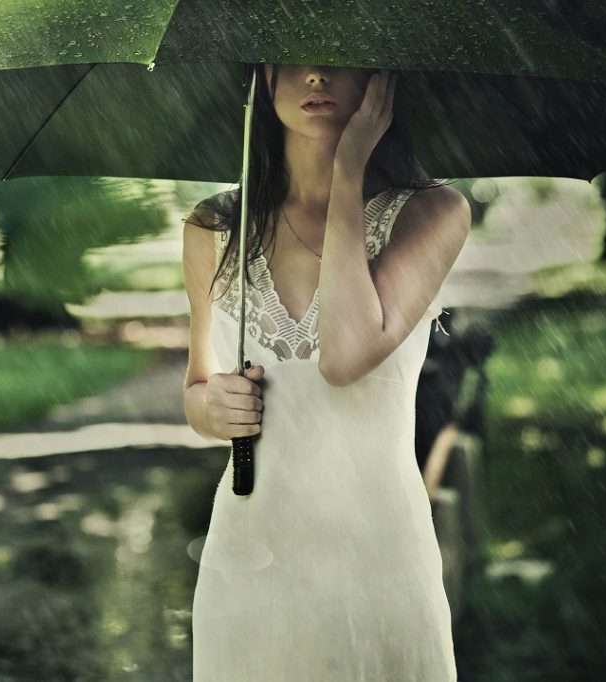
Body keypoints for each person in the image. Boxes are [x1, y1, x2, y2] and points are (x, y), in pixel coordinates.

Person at [182, 63, 471, 681]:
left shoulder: (434, 213)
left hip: (378, 559)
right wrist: (215, 409)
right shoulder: (215, 228)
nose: (315, 73)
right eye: (296, 54)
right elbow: (197, 390)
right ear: (264, 75)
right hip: (250, 564)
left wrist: (348, 170)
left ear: (383, 79)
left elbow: (343, 356)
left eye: (339, 56)